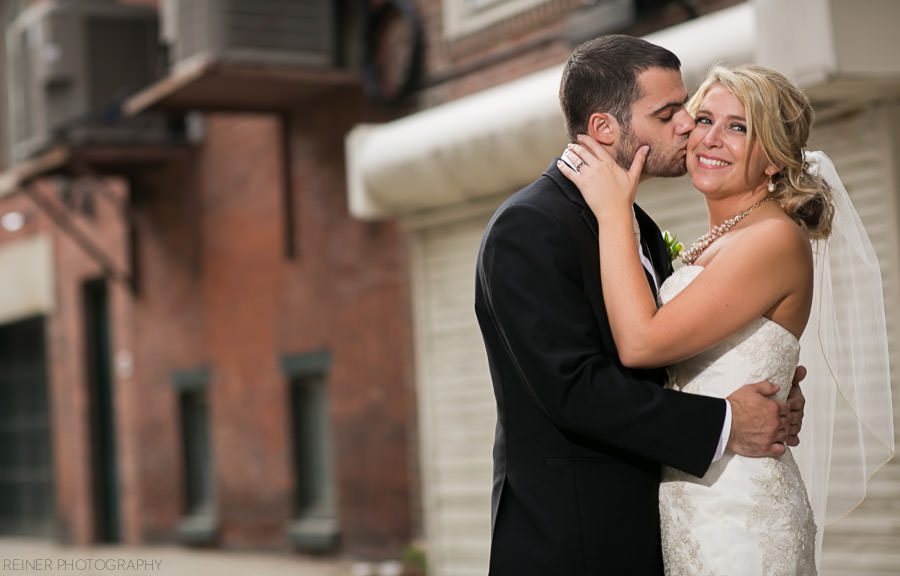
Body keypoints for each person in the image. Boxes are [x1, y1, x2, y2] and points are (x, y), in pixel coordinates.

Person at [474, 36, 807, 575]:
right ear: (606, 129)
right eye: (670, 113)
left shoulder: (638, 225)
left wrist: (767, 378)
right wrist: (725, 418)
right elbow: (574, 389)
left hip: (659, 525)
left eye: (687, 109)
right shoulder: (529, 228)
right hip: (574, 540)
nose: (689, 126)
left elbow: (667, 356)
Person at [559, 64, 893, 574]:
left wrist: (611, 214)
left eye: (738, 127)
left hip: (739, 516)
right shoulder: (718, 240)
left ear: (775, 159)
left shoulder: (771, 239)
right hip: (695, 502)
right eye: (704, 119)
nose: (709, 139)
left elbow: (642, 344)